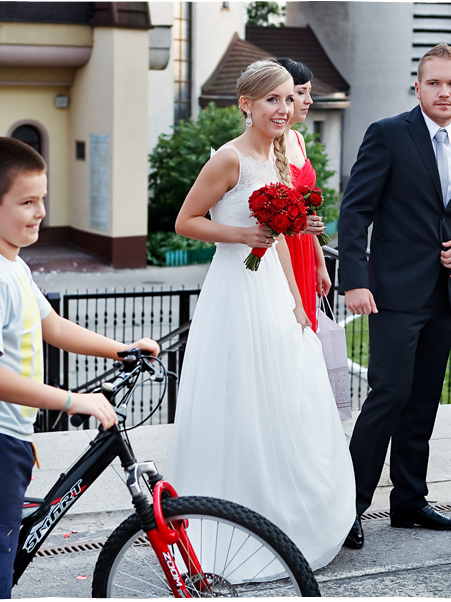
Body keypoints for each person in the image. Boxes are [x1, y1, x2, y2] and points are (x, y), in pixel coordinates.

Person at [0, 137, 159, 599]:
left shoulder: (10, 263)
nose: (40, 212)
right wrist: (76, 401)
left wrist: (121, 349)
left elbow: (49, 323)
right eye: (27, 202)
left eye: (42, 200)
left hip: (0, 441)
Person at [169, 58, 355, 575]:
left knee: (288, 393)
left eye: (287, 99)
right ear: (246, 104)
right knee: (241, 397)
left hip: (272, 287)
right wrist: (240, 235)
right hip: (233, 291)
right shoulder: (228, 159)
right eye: (271, 99)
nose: (283, 107)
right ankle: (229, 515)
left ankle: (288, 514)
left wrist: (298, 300)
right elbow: (186, 221)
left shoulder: (279, 156)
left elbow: (275, 243)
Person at [338, 44, 451, 549]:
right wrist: (355, 280)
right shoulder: (387, 134)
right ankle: (347, 509)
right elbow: (355, 211)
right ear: (418, 86)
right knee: (388, 396)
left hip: (443, 294)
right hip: (391, 293)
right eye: (434, 82)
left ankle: (409, 502)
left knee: (423, 401)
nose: (444, 91)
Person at [275, 58, 331, 332]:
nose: (309, 100)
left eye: (309, 92)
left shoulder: (298, 139)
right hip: (278, 250)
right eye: (301, 92)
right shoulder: (267, 144)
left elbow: (309, 213)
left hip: (305, 250)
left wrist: (320, 263)